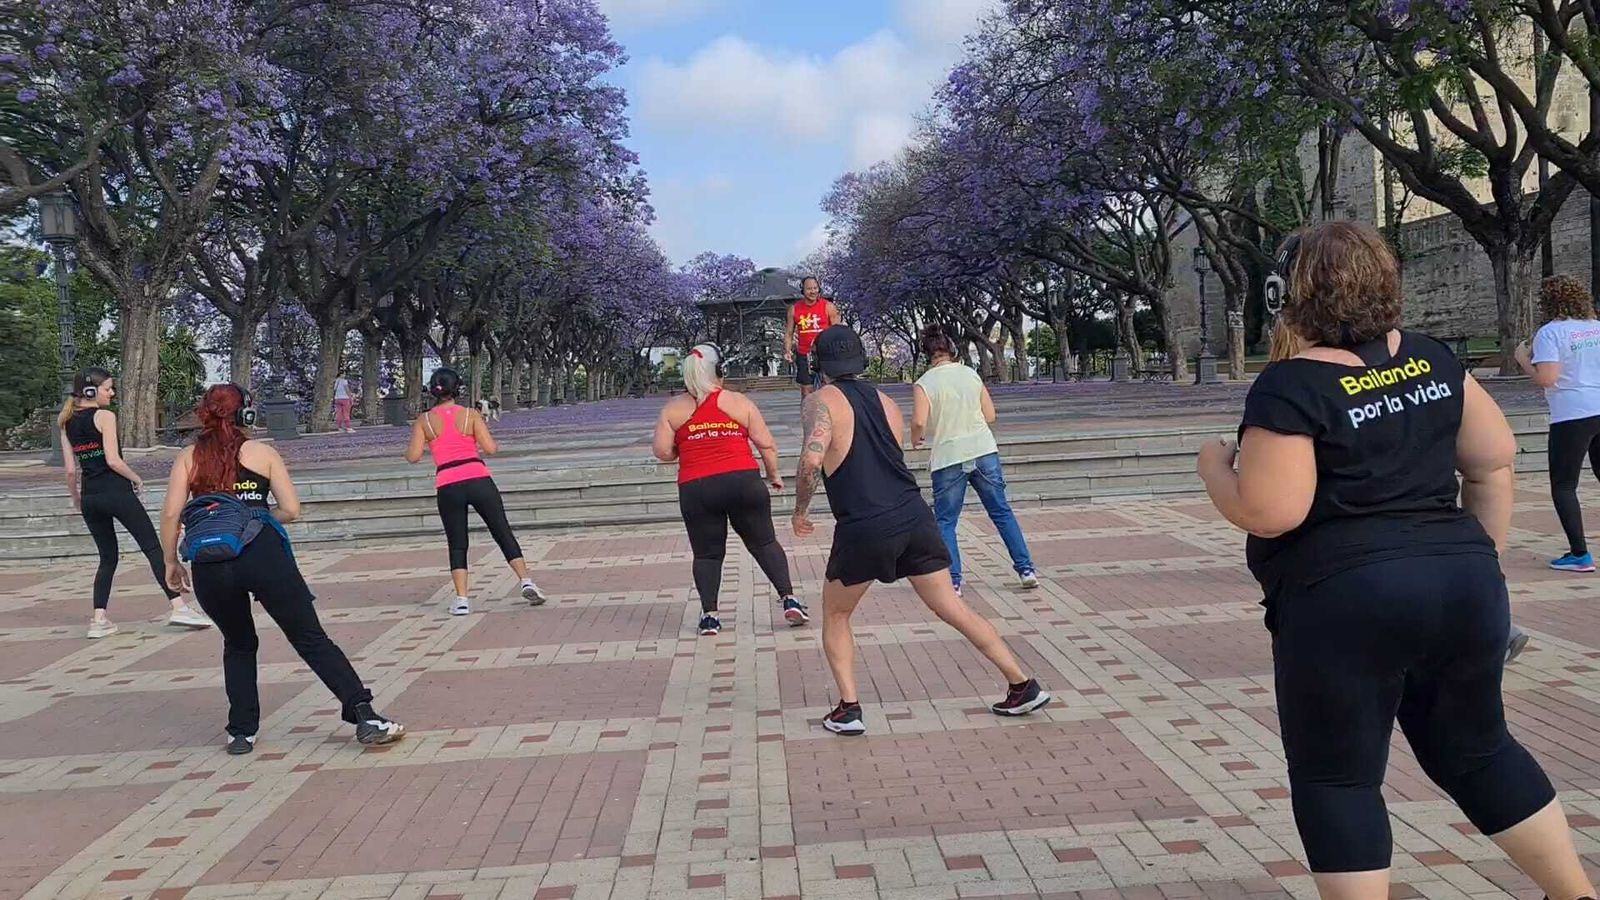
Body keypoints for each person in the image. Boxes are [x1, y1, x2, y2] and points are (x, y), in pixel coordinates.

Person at [1197, 222, 1593, 897]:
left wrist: (1214, 467)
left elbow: (1273, 509)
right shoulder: (1435, 359)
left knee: (1339, 777)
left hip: (1345, 597)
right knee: (1479, 750)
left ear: (1287, 294)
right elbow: (1494, 461)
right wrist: (1480, 559)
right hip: (1461, 584)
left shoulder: (1290, 388)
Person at [792, 325, 1050, 736]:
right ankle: (1022, 683)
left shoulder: (820, 402)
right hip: (913, 515)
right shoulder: (886, 401)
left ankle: (849, 708)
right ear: (860, 360)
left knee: (836, 613)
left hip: (864, 523)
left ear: (819, 365)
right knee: (951, 606)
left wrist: (799, 511)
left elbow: (811, 461)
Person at [160, 384, 403, 754]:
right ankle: (364, 714)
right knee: (310, 637)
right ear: (247, 415)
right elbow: (290, 508)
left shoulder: (188, 458)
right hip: (263, 554)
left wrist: (171, 563)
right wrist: (254, 519)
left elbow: (170, 515)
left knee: (238, 644)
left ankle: (241, 732)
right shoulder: (262, 453)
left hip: (211, 562)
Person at [652, 344, 808, 636]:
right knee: (764, 543)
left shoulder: (673, 409)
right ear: (719, 373)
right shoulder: (739, 402)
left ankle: (710, 616)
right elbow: (767, 444)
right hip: (743, 482)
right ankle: (790, 599)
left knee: (707, 555)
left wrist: (684, 448)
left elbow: (661, 451)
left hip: (697, 488)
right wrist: (773, 474)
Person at [58, 367, 211, 638]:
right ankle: (178, 607)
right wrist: (137, 478)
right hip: (116, 492)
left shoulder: (66, 421)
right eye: (108, 388)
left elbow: (71, 471)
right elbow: (113, 460)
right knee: (153, 548)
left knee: (107, 558)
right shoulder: (104, 416)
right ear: (91, 391)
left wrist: (76, 498)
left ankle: (99, 619)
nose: (112, 393)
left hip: (91, 497)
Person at [404, 367, 545, 615]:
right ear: (457, 389)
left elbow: (413, 456)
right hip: (478, 479)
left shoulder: (424, 420)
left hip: (448, 484)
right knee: (502, 531)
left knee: (457, 542)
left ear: (434, 391)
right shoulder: (470, 415)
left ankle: (461, 599)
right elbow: (490, 448)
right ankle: (526, 581)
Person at [911, 324, 1039, 596]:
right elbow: (990, 415)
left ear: (927, 354)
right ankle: (1026, 569)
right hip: (983, 450)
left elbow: (919, 421)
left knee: (946, 521)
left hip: (948, 457)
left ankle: (954, 581)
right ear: (952, 350)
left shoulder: (924, 383)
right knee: (1001, 512)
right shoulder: (970, 374)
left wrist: (917, 437)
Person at [1515, 274, 1600, 572]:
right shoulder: (1597, 328)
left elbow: (1547, 379)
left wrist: (1524, 359)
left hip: (1572, 413)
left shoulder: (1551, 333)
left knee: (1564, 485)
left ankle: (1580, 554)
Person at [784, 276, 841, 398]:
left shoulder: (828, 306)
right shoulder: (794, 309)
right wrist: (787, 351)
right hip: (805, 354)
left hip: (826, 353)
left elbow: (837, 331)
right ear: (803, 290)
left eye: (815, 288)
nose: (813, 291)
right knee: (806, 390)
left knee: (829, 387)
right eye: (809, 289)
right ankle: (808, 415)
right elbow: (789, 333)